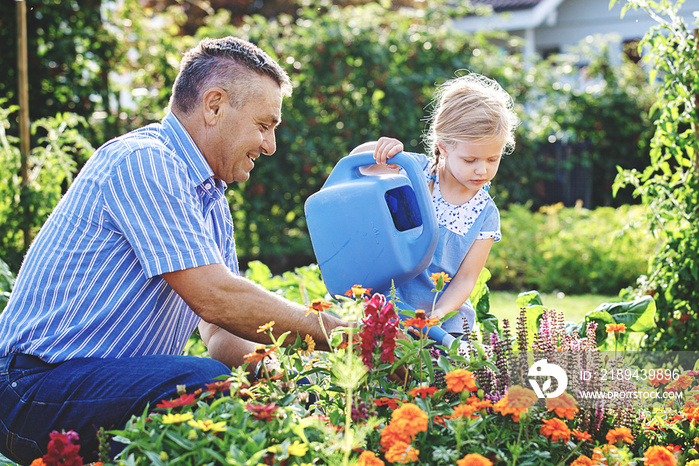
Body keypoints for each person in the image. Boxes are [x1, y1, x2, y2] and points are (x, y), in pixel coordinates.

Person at [0, 36, 349, 465]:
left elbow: (220, 332)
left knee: (221, 383)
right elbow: (215, 297)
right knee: (202, 381)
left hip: (82, 386)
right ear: (215, 105)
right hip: (30, 389)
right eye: (264, 125)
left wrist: (280, 380)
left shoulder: (211, 201)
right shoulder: (145, 161)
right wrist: (337, 332)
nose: (270, 145)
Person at [351, 73, 519, 341]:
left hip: (445, 325)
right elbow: (357, 166)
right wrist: (380, 148)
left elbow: (466, 278)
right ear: (443, 147)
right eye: (470, 159)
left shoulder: (485, 215)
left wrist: (438, 313)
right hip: (390, 311)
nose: (482, 169)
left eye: (492, 158)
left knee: (445, 380)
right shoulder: (413, 171)